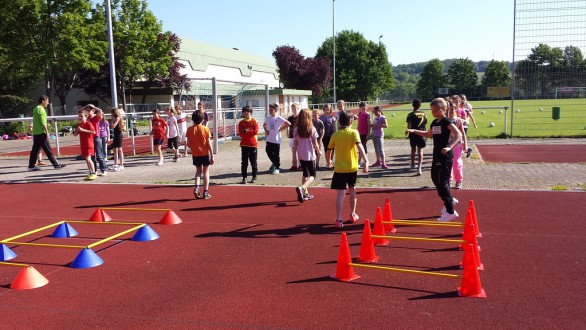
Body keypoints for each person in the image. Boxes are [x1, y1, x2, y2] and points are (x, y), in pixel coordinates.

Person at [406, 98, 462, 222]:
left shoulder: (446, 121)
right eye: (432, 111)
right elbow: (427, 134)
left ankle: (450, 211)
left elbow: (458, 134)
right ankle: (450, 199)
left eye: (436, 110)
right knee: (435, 178)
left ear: (443, 109)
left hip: (445, 155)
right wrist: (413, 131)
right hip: (437, 154)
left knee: (442, 182)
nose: (434, 113)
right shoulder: (434, 122)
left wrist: (449, 146)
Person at [326, 111, 369, 228]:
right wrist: (366, 161)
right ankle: (352, 214)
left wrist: (328, 160)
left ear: (339, 122)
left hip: (339, 168)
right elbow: (360, 146)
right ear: (351, 122)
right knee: (352, 190)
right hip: (351, 167)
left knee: (340, 194)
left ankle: (339, 219)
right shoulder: (354, 132)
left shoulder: (335, 135)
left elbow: (329, 150)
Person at [27, 95, 67, 171]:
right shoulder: (41, 110)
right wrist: (47, 132)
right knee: (48, 150)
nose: (48, 103)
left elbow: (37, 121)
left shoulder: (36, 109)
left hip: (36, 133)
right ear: (43, 101)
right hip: (41, 133)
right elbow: (43, 122)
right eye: (47, 101)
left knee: (35, 150)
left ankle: (31, 166)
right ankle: (56, 164)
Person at [293, 109, 321, 203]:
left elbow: (295, 145)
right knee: (313, 175)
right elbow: (315, 143)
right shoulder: (311, 129)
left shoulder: (296, 130)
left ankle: (305, 193)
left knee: (305, 173)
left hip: (301, 155)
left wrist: (294, 157)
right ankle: (302, 188)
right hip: (310, 155)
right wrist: (318, 151)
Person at [186, 110, 214, 199]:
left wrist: (194, 148)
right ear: (202, 120)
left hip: (195, 154)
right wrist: (212, 155)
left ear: (193, 120)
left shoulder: (189, 129)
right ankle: (205, 192)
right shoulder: (205, 129)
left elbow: (188, 144)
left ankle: (197, 187)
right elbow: (209, 144)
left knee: (198, 171)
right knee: (206, 172)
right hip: (205, 153)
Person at [263, 103, 290, 174]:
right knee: (268, 151)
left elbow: (288, 124)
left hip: (276, 140)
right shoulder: (268, 118)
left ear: (276, 110)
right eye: (269, 110)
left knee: (276, 154)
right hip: (269, 139)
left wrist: (281, 128)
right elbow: (264, 125)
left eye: (271, 110)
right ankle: (274, 163)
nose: (270, 111)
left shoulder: (278, 118)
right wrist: (266, 130)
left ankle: (277, 168)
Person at [448, 101, 467, 189]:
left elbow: (463, 133)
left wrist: (465, 145)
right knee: (448, 163)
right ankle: (448, 180)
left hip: (457, 145)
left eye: (453, 109)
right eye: (449, 110)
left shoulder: (458, 120)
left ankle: (458, 180)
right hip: (447, 145)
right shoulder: (444, 121)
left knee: (456, 162)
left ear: (455, 110)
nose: (451, 111)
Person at [72, 109, 97, 181]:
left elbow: (93, 132)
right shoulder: (79, 125)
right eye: (79, 116)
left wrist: (83, 130)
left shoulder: (89, 124)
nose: (80, 118)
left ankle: (94, 173)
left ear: (86, 117)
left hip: (89, 144)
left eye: (81, 116)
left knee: (89, 159)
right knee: (86, 159)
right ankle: (90, 172)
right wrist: (77, 129)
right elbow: (75, 134)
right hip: (83, 145)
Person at [406, 99, 428, 176]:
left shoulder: (410, 114)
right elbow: (425, 125)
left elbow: (409, 125)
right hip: (422, 133)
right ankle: (419, 168)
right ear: (420, 105)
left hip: (413, 133)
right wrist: (426, 134)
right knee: (420, 150)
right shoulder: (424, 114)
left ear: (412, 105)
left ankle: (412, 164)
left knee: (413, 149)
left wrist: (408, 132)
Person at [238, 105, 259, 184]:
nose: (246, 113)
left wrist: (246, 131)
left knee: (253, 162)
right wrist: (249, 131)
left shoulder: (254, 121)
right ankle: (244, 177)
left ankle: (254, 176)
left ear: (251, 113)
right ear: (243, 113)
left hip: (253, 144)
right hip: (244, 145)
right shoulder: (241, 122)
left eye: (248, 112)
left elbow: (255, 132)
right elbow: (240, 134)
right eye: (245, 112)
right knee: (244, 162)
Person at [87, 105, 107, 176]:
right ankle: (94, 170)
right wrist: (85, 107)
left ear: (93, 111)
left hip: (96, 137)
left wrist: (94, 107)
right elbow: (79, 112)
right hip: (90, 138)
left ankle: (103, 170)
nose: (88, 112)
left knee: (100, 155)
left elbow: (100, 111)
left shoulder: (95, 118)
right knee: (92, 156)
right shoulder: (87, 119)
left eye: (89, 110)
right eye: (87, 110)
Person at [319, 104, 337, 168]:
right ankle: (327, 162)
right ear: (323, 110)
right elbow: (319, 127)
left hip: (331, 136)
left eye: (328, 110)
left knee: (332, 149)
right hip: (324, 136)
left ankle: (331, 161)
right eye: (326, 110)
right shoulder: (321, 118)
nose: (327, 111)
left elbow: (334, 127)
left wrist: (335, 134)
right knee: (326, 149)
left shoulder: (332, 118)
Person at [356, 101, 371, 167]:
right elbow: (358, 124)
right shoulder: (358, 115)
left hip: (365, 133)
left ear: (366, 108)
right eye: (362, 109)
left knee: (363, 147)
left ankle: (363, 161)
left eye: (364, 109)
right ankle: (363, 161)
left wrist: (368, 134)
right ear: (360, 108)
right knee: (361, 147)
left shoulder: (367, 115)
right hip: (359, 133)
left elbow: (369, 125)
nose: (363, 110)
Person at [110, 107, 125, 171]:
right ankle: (115, 164)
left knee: (119, 149)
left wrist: (112, 121)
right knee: (115, 149)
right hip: (115, 135)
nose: (111, 114)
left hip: (119, 135)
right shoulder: (114, 118)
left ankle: (121, 165)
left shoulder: (118, 118)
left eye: (112, 113)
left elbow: (113, 126)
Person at [287, 103, 300, 170]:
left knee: (299, 150)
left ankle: (300, 165)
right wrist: (287, 132)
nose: (294, 110)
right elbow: (288, 126)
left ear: (298, 109)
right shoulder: (290, 118)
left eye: (295, 109)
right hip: (292, 136)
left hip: (299, 136)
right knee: (293, 151)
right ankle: (294, 165)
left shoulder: (300, 117)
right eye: (293, 109)